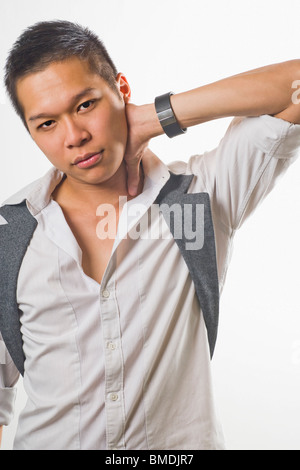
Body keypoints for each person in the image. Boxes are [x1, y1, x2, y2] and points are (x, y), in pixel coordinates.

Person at [0, 20, 300, 451]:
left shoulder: (201, 196)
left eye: (85, 105)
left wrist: (154, 118)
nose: (74, 137)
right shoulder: (9, 234)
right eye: (46, 124)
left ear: (121, 88)